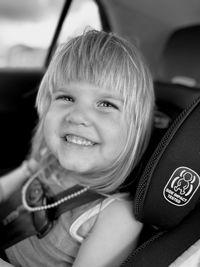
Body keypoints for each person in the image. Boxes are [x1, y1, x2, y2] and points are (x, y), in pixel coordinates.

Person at [0, 29, 154, 267]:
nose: (78, 116)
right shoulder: (45, 164)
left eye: (106, 103)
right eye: (67, 98)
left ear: (136, 128)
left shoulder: (115, 216)